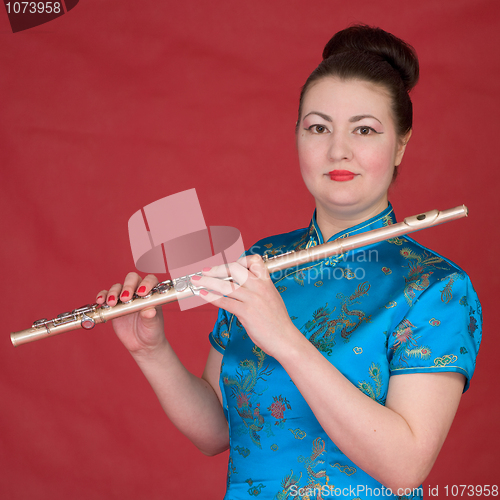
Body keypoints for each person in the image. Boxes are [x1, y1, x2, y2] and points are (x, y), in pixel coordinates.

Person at [97, 25, 482, 499]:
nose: (337, 149)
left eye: (364, 129)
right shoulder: (260, 263)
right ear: (297, 136)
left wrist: (283, 337)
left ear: (401, 143)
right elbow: (217, 431)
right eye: (318, 127)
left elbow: (404, 469)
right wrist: (150, 351)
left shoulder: (437, 287)